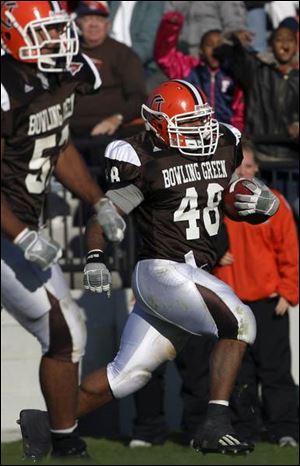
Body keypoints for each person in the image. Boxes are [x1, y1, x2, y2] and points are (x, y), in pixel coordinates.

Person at [18, 79, 280, 457]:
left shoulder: (224, 144)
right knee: (239, 322)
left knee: (126, 376)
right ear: (158, 124)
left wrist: (248, 207)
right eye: (187, 123)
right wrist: (95, 256)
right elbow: (109, 214)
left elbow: (214, 200)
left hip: (191, 275)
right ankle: (216, 423)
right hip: (162, 270)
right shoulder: (142, 157)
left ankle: (44, 423)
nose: (200, 130)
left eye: (200, 120)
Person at [1, 1, 126, 460]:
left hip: (16, 229)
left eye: (58, 30)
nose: (57, 41)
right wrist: (20, 235)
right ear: (12, 36)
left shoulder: (65, 74)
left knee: (68, 332)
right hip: (7, 231)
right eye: (44, 33)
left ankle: (62, 439)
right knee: (61, 330)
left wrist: (98, 200)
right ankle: (63, 439)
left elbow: (58, 143)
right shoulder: (5, 87)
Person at [214, 139, 299, 446]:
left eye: (250, 166)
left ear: (257, 169)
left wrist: (288, 292)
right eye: (240, 166)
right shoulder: (218, 204)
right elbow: (195, 243)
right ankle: (244, 431)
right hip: (230, 304)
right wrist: (214, 255)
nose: (245, 172)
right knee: (239, 376)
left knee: (276, 371)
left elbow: (289, 250)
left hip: (267, 301)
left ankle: (285, 430)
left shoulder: (274, 203)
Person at [70, 1, 147, 189]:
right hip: (70, 130)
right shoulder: (68, 53)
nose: (94, 24)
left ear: (108, 24)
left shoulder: (123, 54)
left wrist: (116, 119)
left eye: (99, 19)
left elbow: (139, 98)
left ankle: (104, 208)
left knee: (106, 158)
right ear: (78, 23)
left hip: (110, 131)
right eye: (88, 19)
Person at [214, 23, 299, 164]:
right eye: (279, 40)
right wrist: (235, 38)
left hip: (291, 157)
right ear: (271, 45)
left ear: (296, 45)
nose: (284, 44)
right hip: (258, 156)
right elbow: (224, 51)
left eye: (289, 40)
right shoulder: (255, 70)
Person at [154, 11, 245, 130]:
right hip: (194, 131)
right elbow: (164, 57)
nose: (215, 49)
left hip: (225, 134)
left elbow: (240, 111)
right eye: (209, 45)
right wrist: (171, 26)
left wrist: (235, 132)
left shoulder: (233, 72)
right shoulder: (189, 68)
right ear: (201, 50)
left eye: (219, 45)